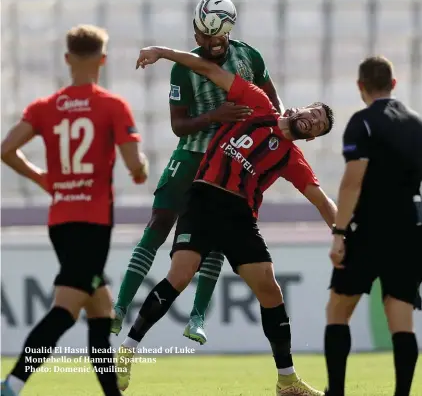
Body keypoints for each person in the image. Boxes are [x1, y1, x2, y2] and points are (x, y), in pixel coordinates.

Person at [114, 45, 337, 396]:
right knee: (180, 275)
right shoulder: (257, 102)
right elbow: (209, 70)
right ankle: (126, 351)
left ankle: (287, 380)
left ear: (310, 136)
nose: (313, 120)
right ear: (299, 109)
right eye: (314, 113)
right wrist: (162, 52)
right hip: (204, 198)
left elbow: (321, 200)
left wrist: (343, 236)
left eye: (319, 125)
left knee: (270, 289)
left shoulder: (292, 158)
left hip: (239, 216)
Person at [112, 0, 284, 346]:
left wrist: (270, 128)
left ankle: (197, 316)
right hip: (192, 155)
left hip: (230, 162)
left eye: (219, 39)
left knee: (216, 236)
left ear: (229, 33)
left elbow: (273, 101)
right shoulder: (183, 67)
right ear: (196, 31)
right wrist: (213, 117)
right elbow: (179, 125)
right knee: (160, 222)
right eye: (206, 38)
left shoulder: (249, 56)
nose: (213, 45)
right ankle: (119, 307)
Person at [0, 25, 148, 396]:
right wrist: (141, 166)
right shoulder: (112, 106)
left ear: (67, 59)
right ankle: (13, 383)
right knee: (65, 307)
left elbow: (6, 150)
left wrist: (42, 179)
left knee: (100, 311)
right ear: (104, 59)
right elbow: (135, 166)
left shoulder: (45, 108)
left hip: (61, 220)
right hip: (94, 221)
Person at [325, 56, 422, 396]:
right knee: (401, 316)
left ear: (360, 86)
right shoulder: (417, 123)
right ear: (394, 84)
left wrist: (339, 233)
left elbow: (353, 182)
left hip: (368, 228)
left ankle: (336, 391)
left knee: (338, 310)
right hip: (410, 229)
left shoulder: (362, 123)